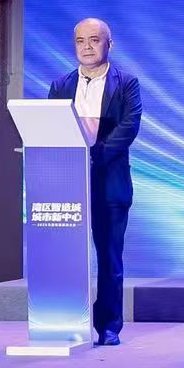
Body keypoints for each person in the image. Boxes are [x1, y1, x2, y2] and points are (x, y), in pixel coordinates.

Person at [47, 18, 142, 347]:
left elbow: (129, 127)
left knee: (109, 259)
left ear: (109, 45)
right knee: (64, 256)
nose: (86, 47)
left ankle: (108, 326)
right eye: (80, 41)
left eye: (94, 40)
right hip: (67, 184)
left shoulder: (126, 83)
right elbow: (51, 128)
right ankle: (65, 319)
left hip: (110, 183)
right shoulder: (60, 85)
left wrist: (93, 156)